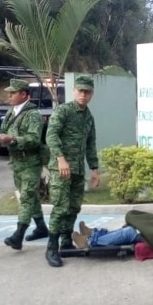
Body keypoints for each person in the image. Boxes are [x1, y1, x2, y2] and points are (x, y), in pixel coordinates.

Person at [45, 74, 101, 268]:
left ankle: (66, 242)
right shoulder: (63, 111)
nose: (83, 95)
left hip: (77, 169)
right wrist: (61, 159)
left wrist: (94, 169)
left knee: (73, 207)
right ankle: (51, 248)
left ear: (92, 94)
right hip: (61, 168)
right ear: (74, 91)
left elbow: (90, 144)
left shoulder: (89, 117)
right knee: (60, 207)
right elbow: (51, 135)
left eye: (87, 92)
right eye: (80, 91)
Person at [0, 79, 48, 250]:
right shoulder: (11, 112)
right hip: (16, 161)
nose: (9, 96)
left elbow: (33, 139)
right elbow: (3, 131)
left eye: (13, 93)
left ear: (24, 94)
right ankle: (40, 227)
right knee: (31, 196)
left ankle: (18, 235)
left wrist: (13, 139)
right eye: (9, 93)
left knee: (26, 197)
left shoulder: (33, 115)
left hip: (30, 160)